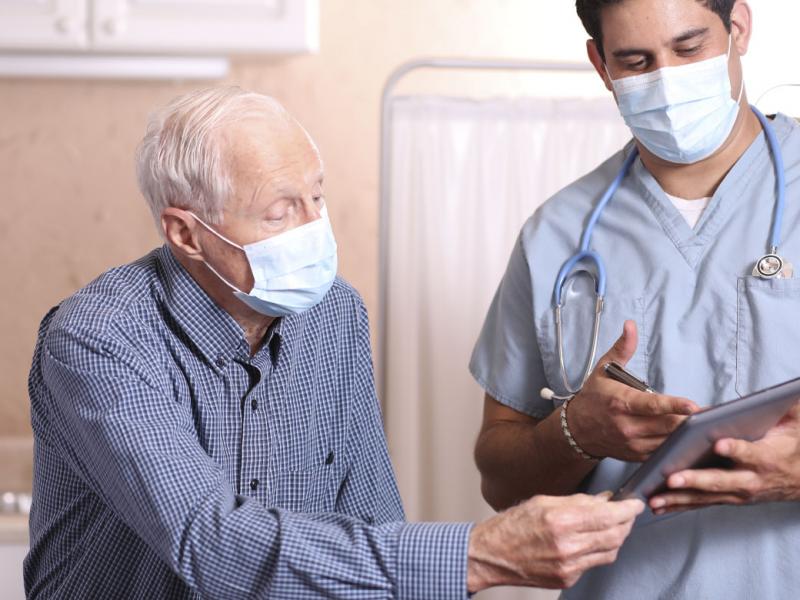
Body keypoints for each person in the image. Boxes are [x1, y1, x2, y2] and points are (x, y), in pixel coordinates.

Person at [23, 86, 642, 599]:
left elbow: (372, 514)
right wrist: (479, 554)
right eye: (279, 212)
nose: (314, 228)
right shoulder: (98, 339)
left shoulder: (335, 313)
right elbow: (209, 543)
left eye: (316, 196)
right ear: (187, 233)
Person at [472, 0, 800, 598]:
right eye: (635, 60)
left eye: (689, 48)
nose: (668, 80)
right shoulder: (557, 235)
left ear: (739, 30)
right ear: (601, 64)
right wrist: (574, 431)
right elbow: (501, 481)